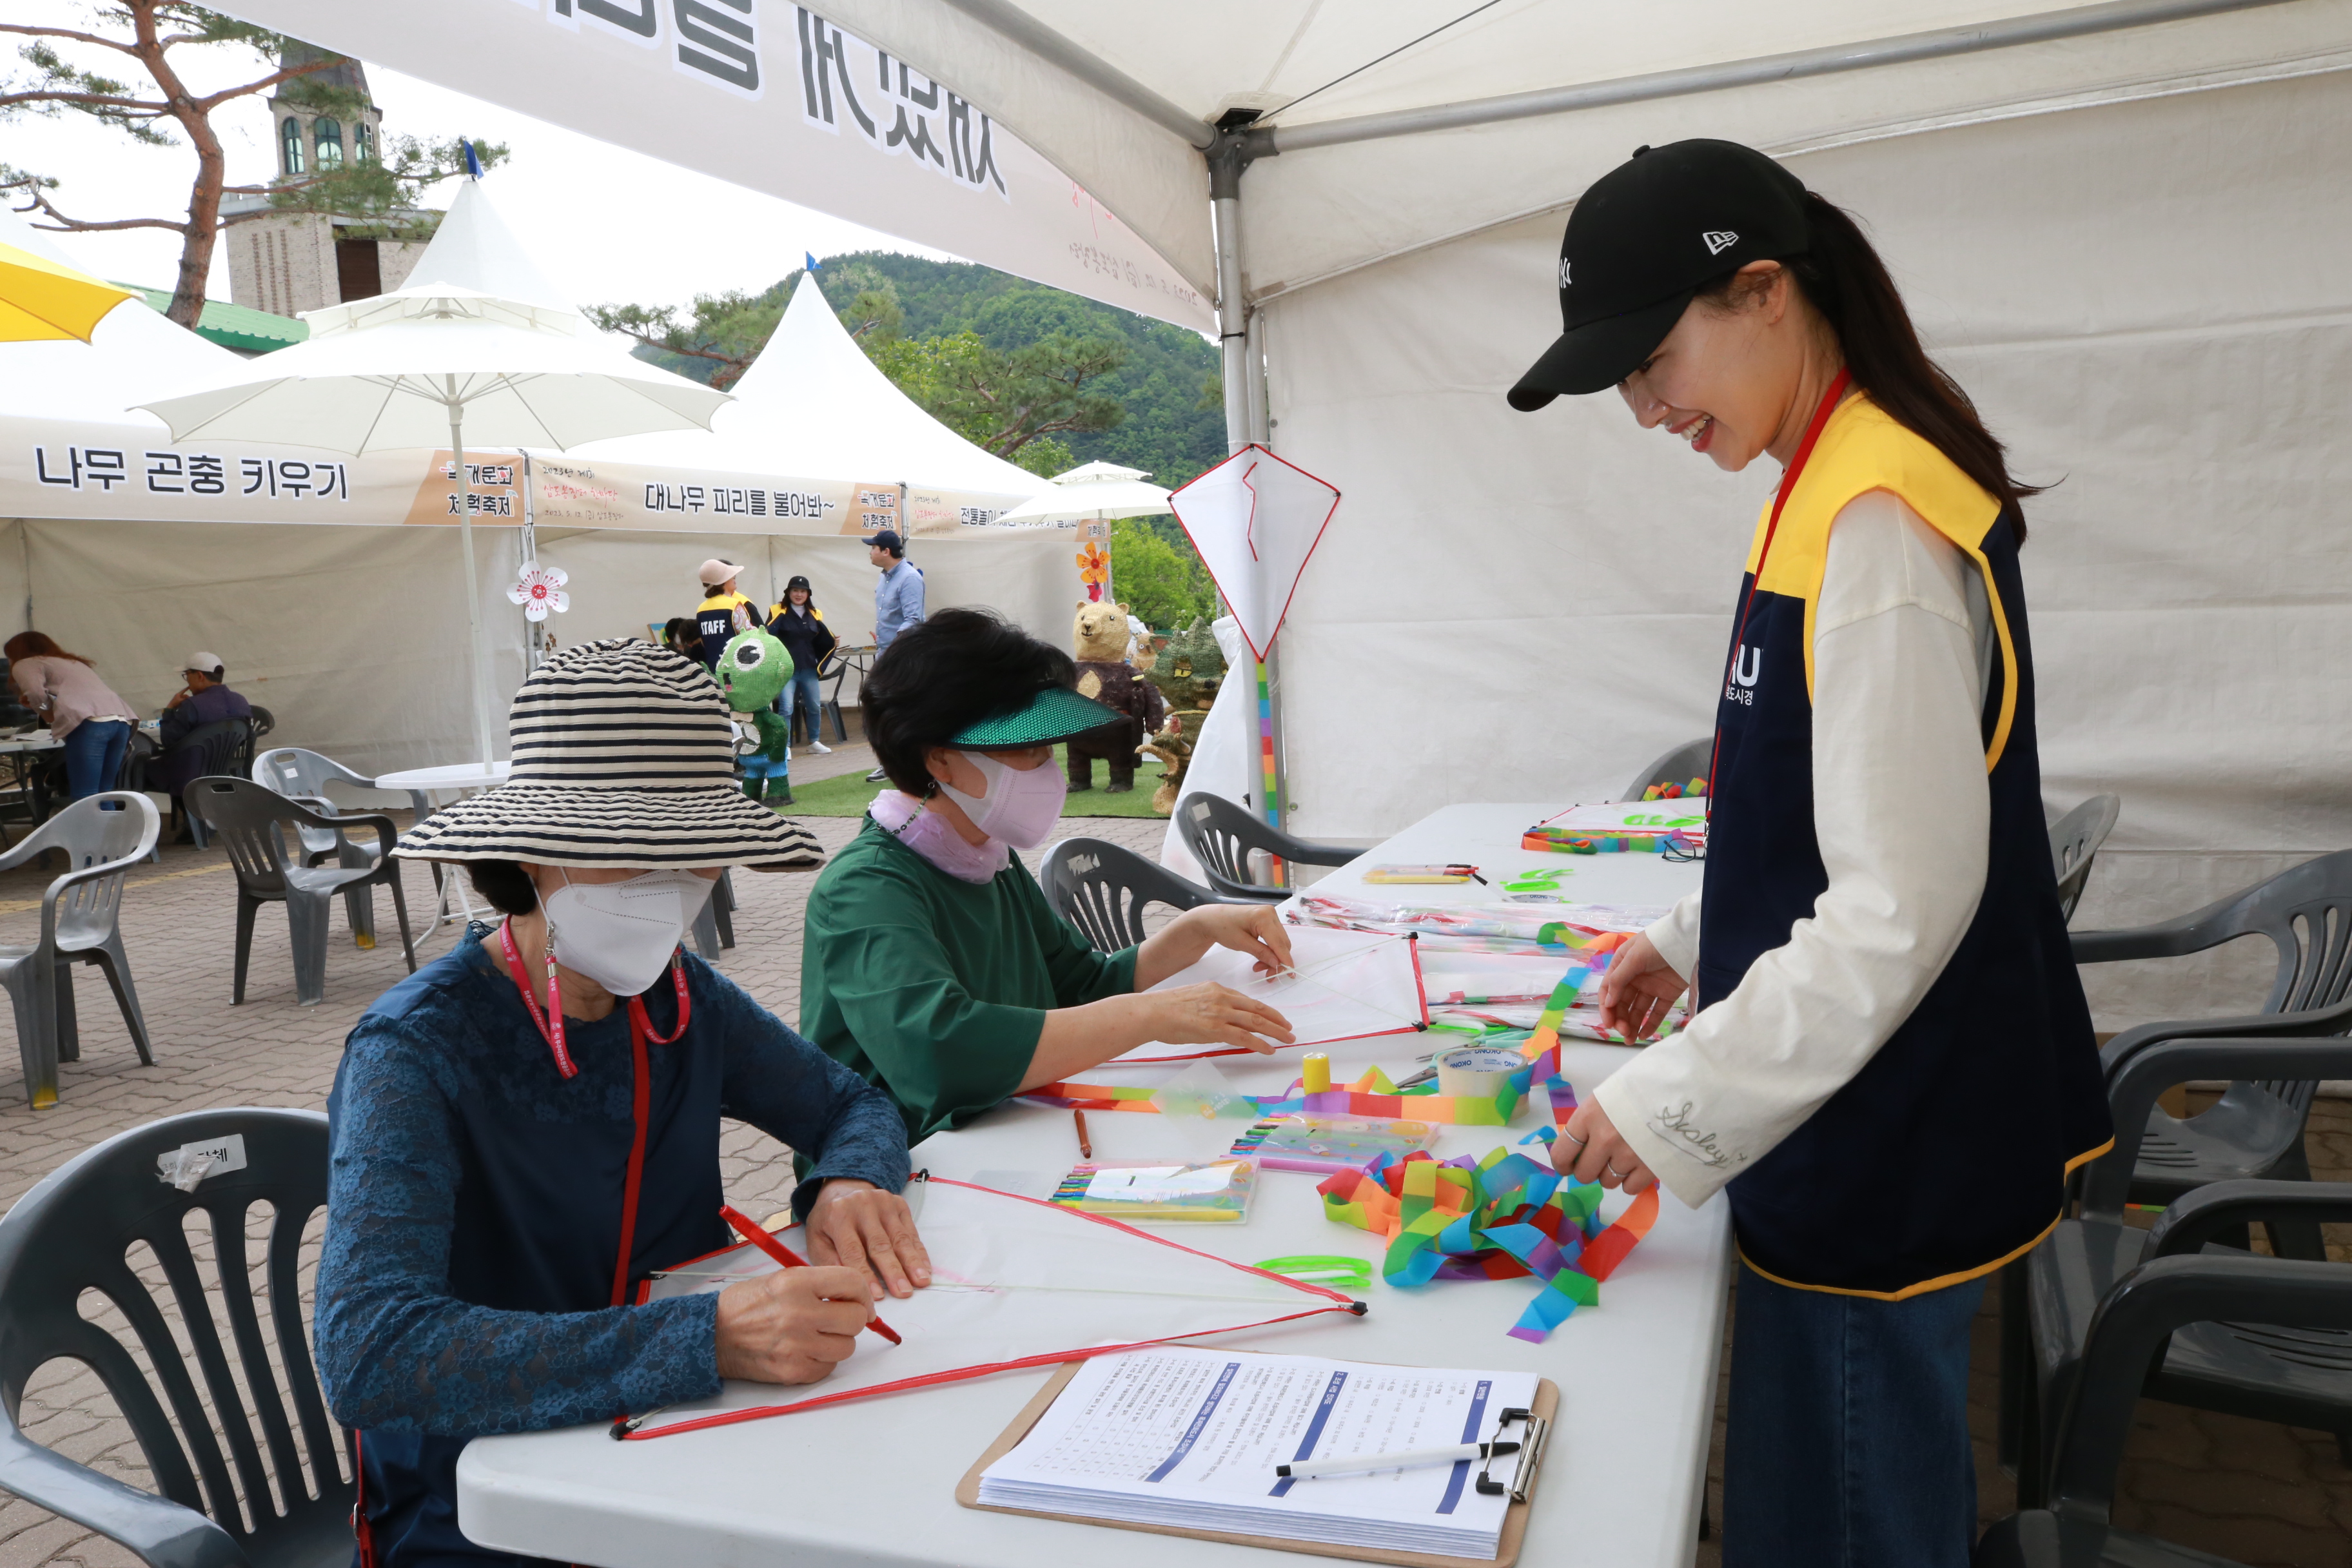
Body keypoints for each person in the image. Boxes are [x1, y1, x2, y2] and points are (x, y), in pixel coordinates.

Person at [1505, 140, 2109, 1567]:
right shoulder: (1825, 474)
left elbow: (1898, 903)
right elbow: (1822, 803)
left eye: (1654, 359)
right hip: (1856, 1103)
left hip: (1880, 1135)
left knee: (1841, 1511)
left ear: (1765, 290)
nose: (1646, 406)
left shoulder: (1874, 514)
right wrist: (1686, 937)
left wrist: (1671, 1100)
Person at [316, 638, 928, 1568]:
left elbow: (852, 1104)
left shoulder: (682, 997)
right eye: (624, 852)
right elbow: (373, 1354)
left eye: (692, 857)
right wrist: (709, 1336)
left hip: (690, 1441)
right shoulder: (417, 1046)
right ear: (530, 850)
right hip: (490, 1497)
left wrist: (847, 1179)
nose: (665, 886)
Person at [802, 607, 1297, 1144]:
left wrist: (1196, 929)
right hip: (903, 1166)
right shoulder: (864, 889)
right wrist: (1150, 1016)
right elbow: (942, 1055)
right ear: (940, 761)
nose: (1047, 768)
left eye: (1048, 749)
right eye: (1026, 748)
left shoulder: (985, 857)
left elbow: (1080, 986)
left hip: (1012, 1128)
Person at [5, 631, 136, 803]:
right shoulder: (74, 662)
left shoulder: (25, 663)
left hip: (90, 722)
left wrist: (47, 714)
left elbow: (35, 693)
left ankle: (89, 822)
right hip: (122, 720)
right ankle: (111, 821)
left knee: (85, 796)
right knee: (104, 793)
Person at [147, 651, 255, 804]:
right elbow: (246, 736)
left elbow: (168, 741)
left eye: (187, 675)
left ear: (199, 676)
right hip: (224, 769)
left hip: (188, 773)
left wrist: (170, 709)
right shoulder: (241, 701)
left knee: (137, 767)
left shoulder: (192, 705)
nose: (187, 681)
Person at [863, 531, 925, 781]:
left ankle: (909, 763)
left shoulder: (909, 578)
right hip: (886, 653)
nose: (870, 552)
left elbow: (913, 620)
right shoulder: (884, 578)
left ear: (886, 551)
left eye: (873, 547)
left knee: (899, 711)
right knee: (883, 710)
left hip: (901, 658)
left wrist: (893, 645)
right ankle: (890, 763)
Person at [767, 574, 836, 754]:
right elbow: (768, 636)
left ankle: (814, 742)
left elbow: (820, 639)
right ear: (788, 593)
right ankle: (785, 746)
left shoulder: (815, 613)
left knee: (814, 707)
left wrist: (832, 642)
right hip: (786, 670)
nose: (799, 594)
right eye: (795, 591)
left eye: (803, 591)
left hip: (809, 668)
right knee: (786, 708)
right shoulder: (777, 611)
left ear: (808, 594)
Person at [693, 558, 758, 671]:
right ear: (723, 582)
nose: (734, 578)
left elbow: (704, 642)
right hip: (737, 669)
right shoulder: (733, 604)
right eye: (731, 576)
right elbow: (748, 635)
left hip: (714, 668)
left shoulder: (701, 609)